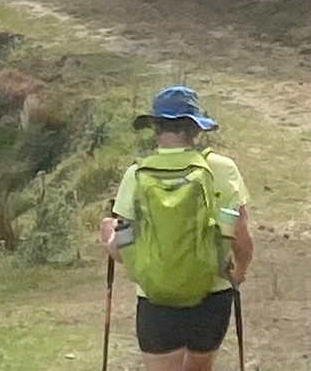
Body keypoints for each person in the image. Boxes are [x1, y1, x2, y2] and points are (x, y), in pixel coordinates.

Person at [100, 86, 254, 371]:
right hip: (213, 293)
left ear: (155, 126)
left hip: (157, 298)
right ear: (195, 129)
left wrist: (108, 232)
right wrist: (239, 271)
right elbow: (241, 235)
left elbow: (121, 250)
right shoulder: (223, 168)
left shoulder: (137, 174)